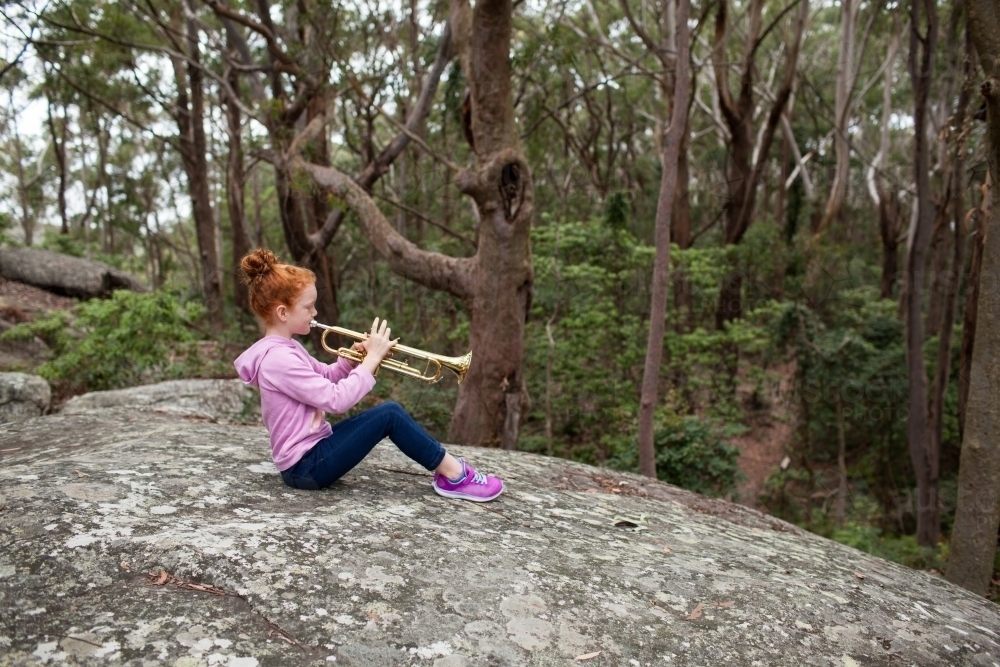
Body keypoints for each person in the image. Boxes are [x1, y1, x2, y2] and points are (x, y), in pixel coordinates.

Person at [233, 248, 504, 502]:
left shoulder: (288, 347)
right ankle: (454, 476)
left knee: (389, 413)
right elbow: (335, 400)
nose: (315, 313)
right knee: (389, 414)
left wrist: (353, 358)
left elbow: (326, 378)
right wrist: (372, 360)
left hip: (311, 452)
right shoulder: (278, 359)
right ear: (283, 312)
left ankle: (452, 472)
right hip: (305, 466)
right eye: (309, 307)